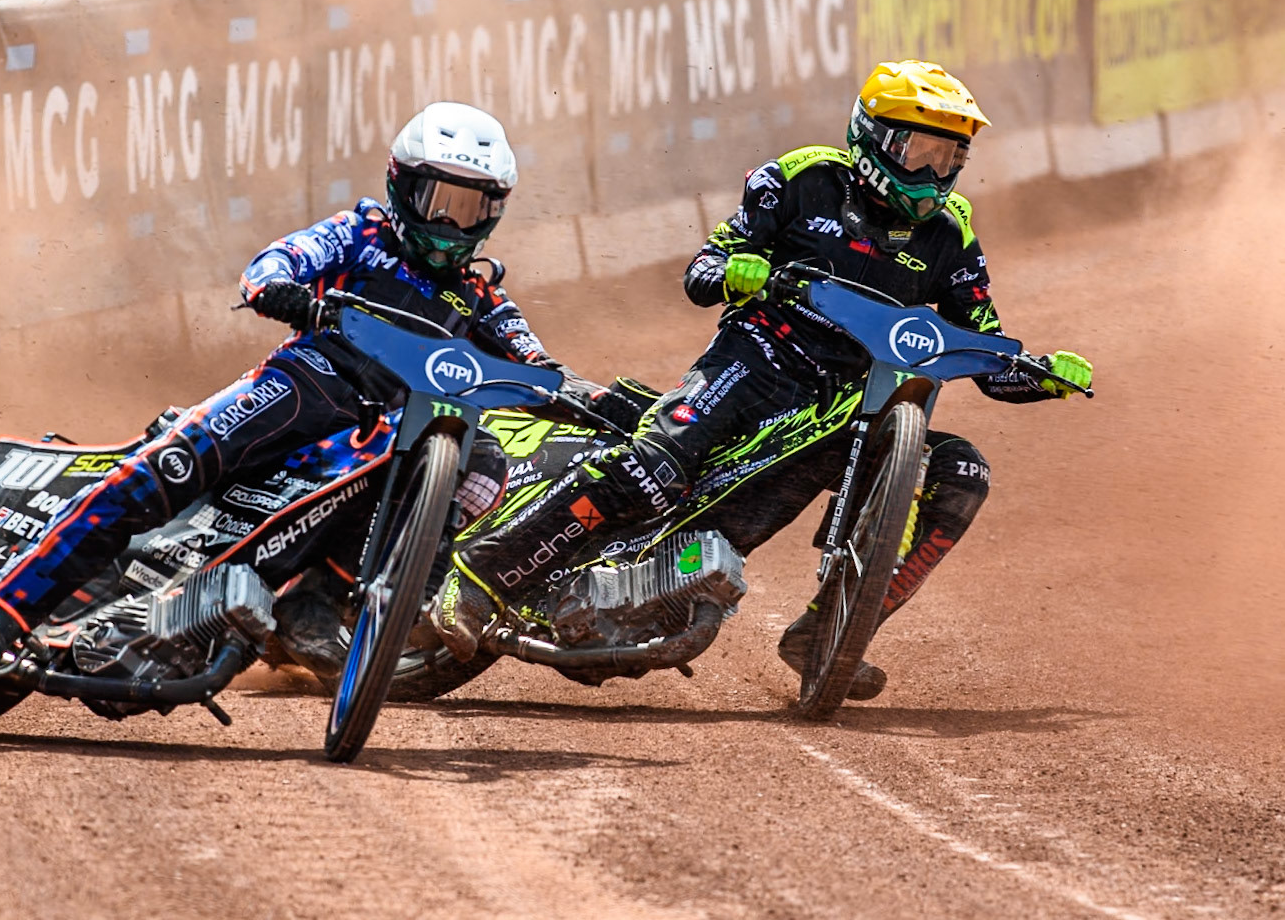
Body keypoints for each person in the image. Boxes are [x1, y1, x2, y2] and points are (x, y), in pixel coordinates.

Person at [434, 61, 1094, 699]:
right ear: (878, 140)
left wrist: (1041, 371)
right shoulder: (802, 180)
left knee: (963, 473)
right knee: (653, 466)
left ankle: (826, 630)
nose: (935, 171)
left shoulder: (952, 236)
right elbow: (703, 270)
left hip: (849, 405)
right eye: (922, 150)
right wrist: (741, 271)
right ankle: (478, 577)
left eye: (951, 158)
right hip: (757, 357)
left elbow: (983, 349)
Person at [0, 101, 633, 678]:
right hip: (304, 385)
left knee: (482, 463)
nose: (451, 223)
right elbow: (278, 261)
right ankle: (0, 612)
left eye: (469, 207)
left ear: (494, 212)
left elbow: (535, 361)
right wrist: (288, 294)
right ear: (401, 186)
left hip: (380, 432)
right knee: (164, 470)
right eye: (437, 201)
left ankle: (323, 602)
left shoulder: (481, 294)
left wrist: (598, 401)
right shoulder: (362, 234)